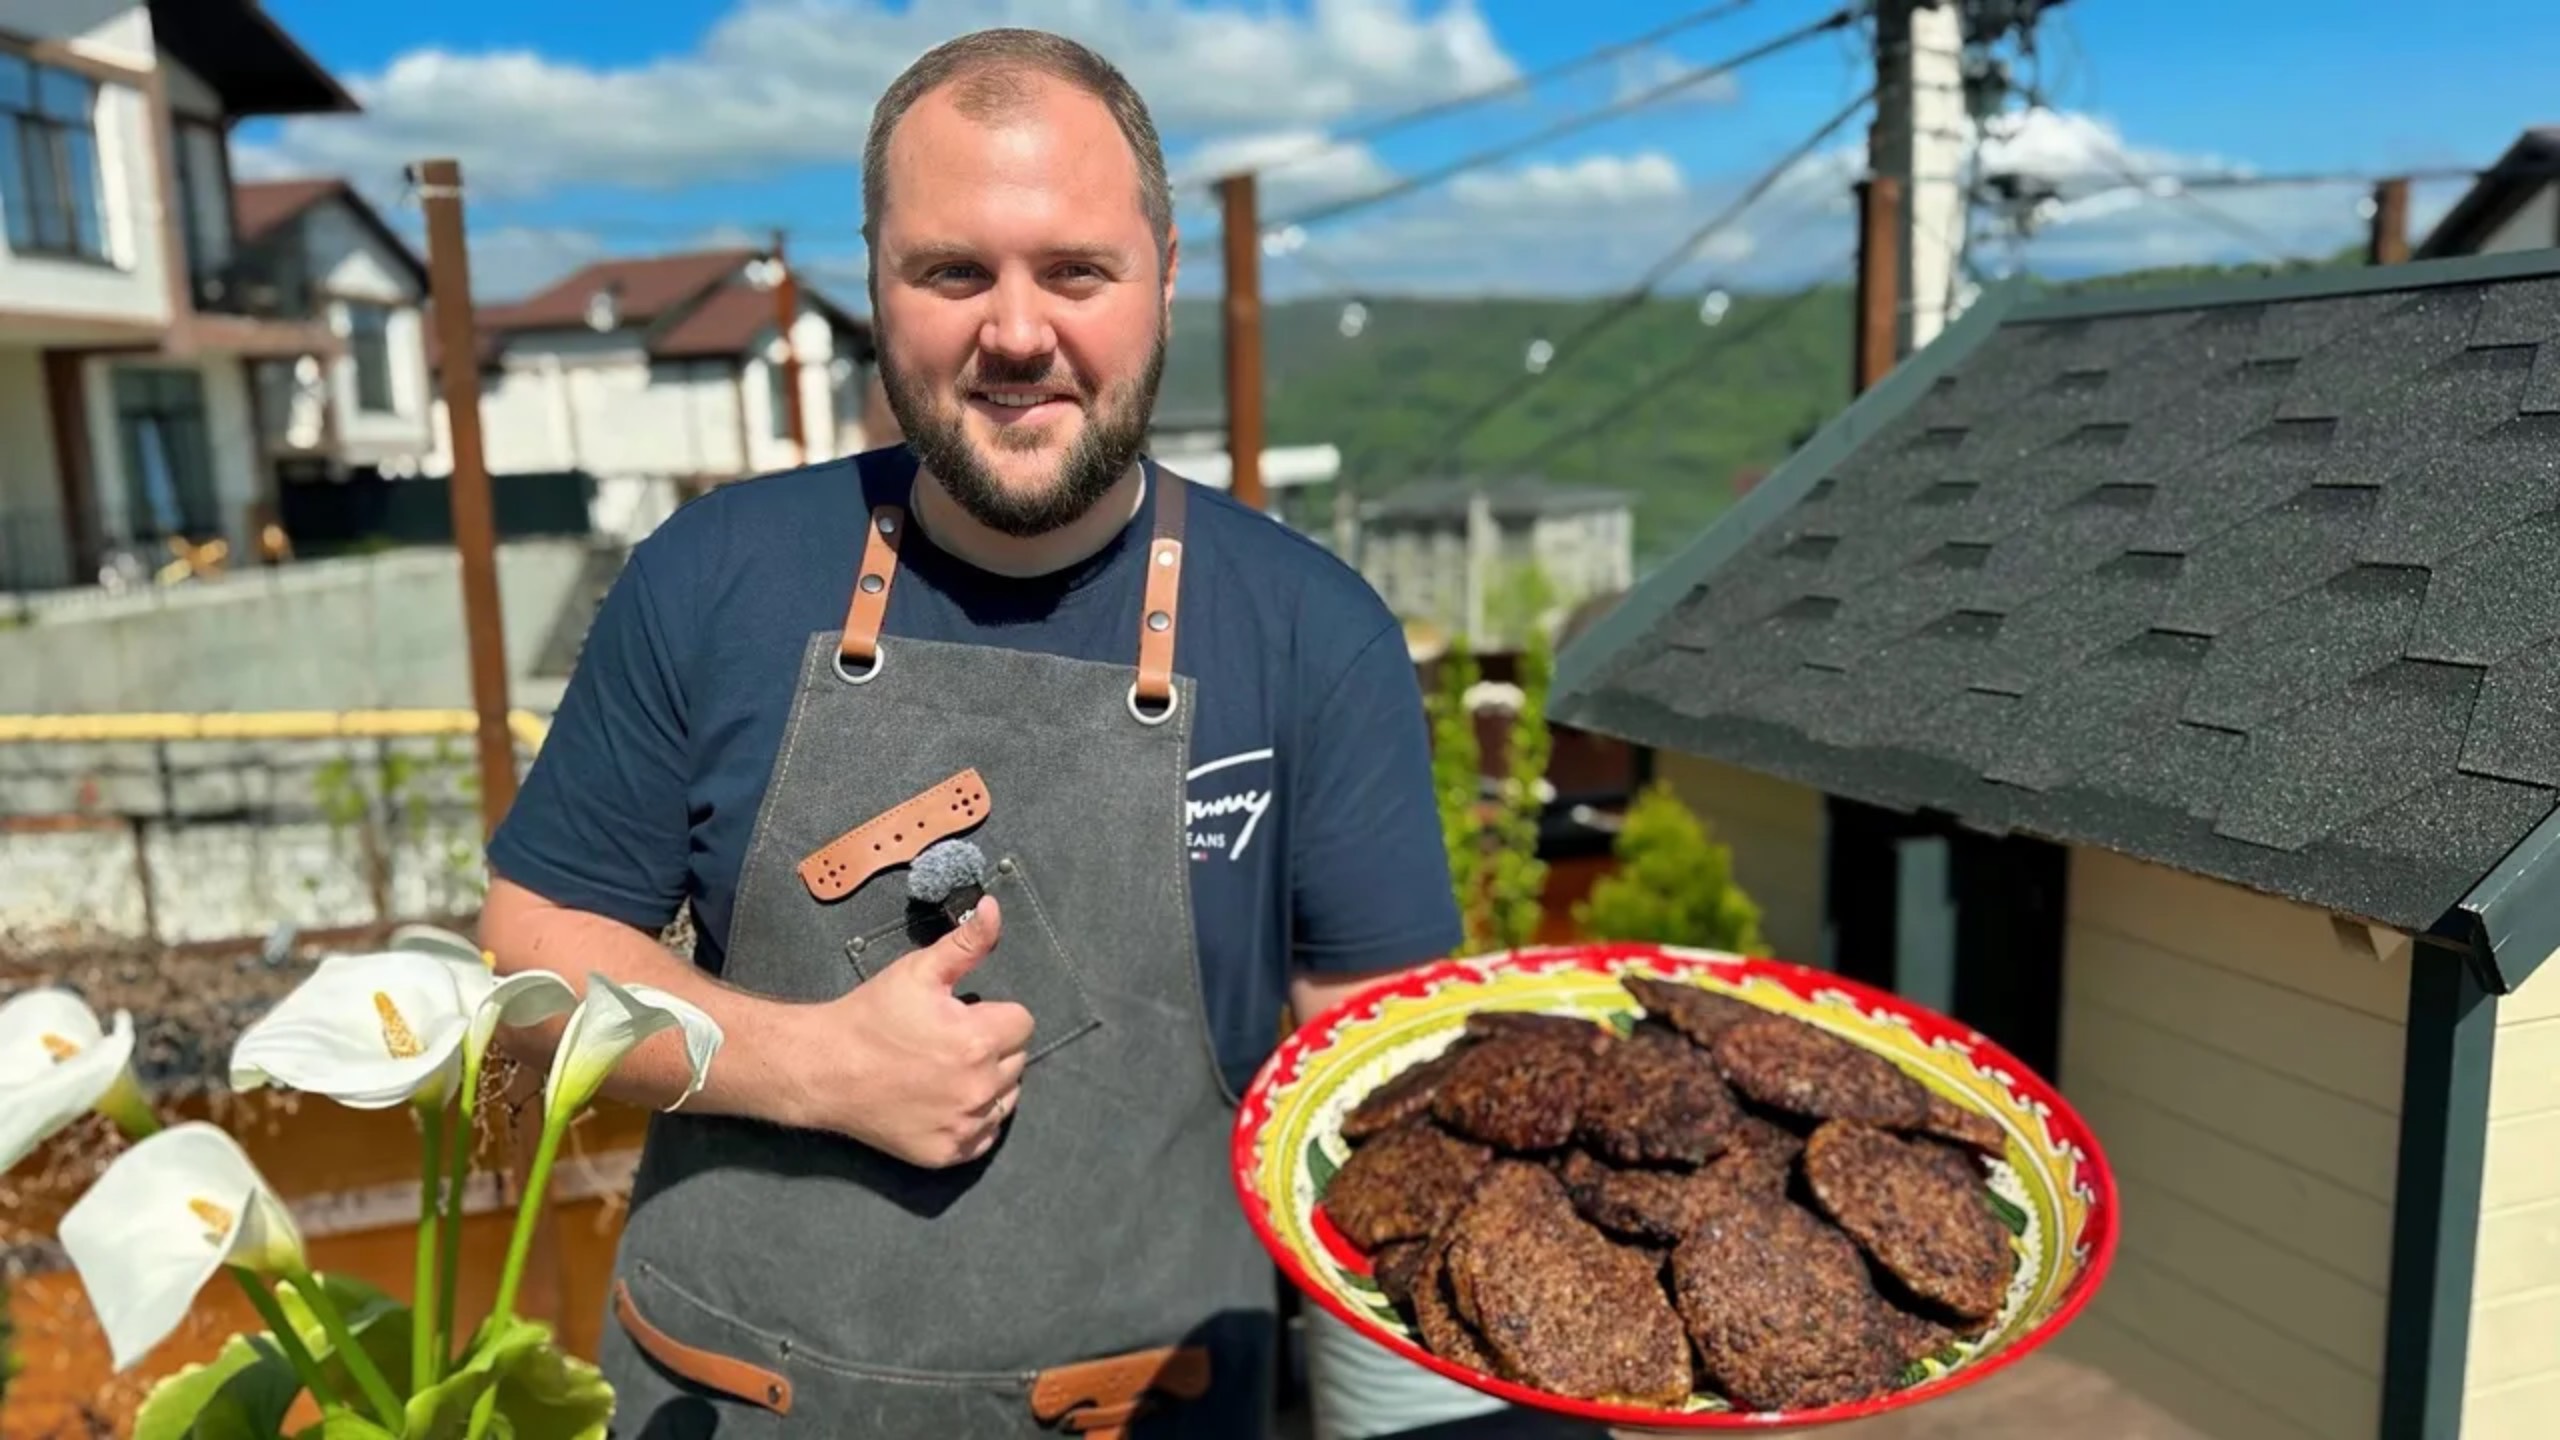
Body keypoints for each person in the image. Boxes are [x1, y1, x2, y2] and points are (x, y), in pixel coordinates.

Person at [477, 26, 1482, 1439]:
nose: (1017, 333)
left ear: (1167, 276)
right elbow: (529, 959)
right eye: (954, 272)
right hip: (720, 1403)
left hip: (1152, 1409)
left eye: (1077, 270)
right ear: (878, 283)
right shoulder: (712, 576)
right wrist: (812, 1067)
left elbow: (1375, 1078)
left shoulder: (1313, 635)